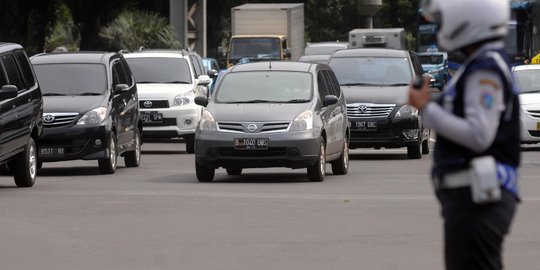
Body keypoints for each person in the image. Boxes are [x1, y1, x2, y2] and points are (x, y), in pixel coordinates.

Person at [408, 1, 520, 270]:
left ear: (468, 20)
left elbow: (479, 134)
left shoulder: (485, 70)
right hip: (474, 200)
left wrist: (425, 108)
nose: (440, 29)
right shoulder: (481, 64)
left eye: (444, 21)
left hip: (478, 202)